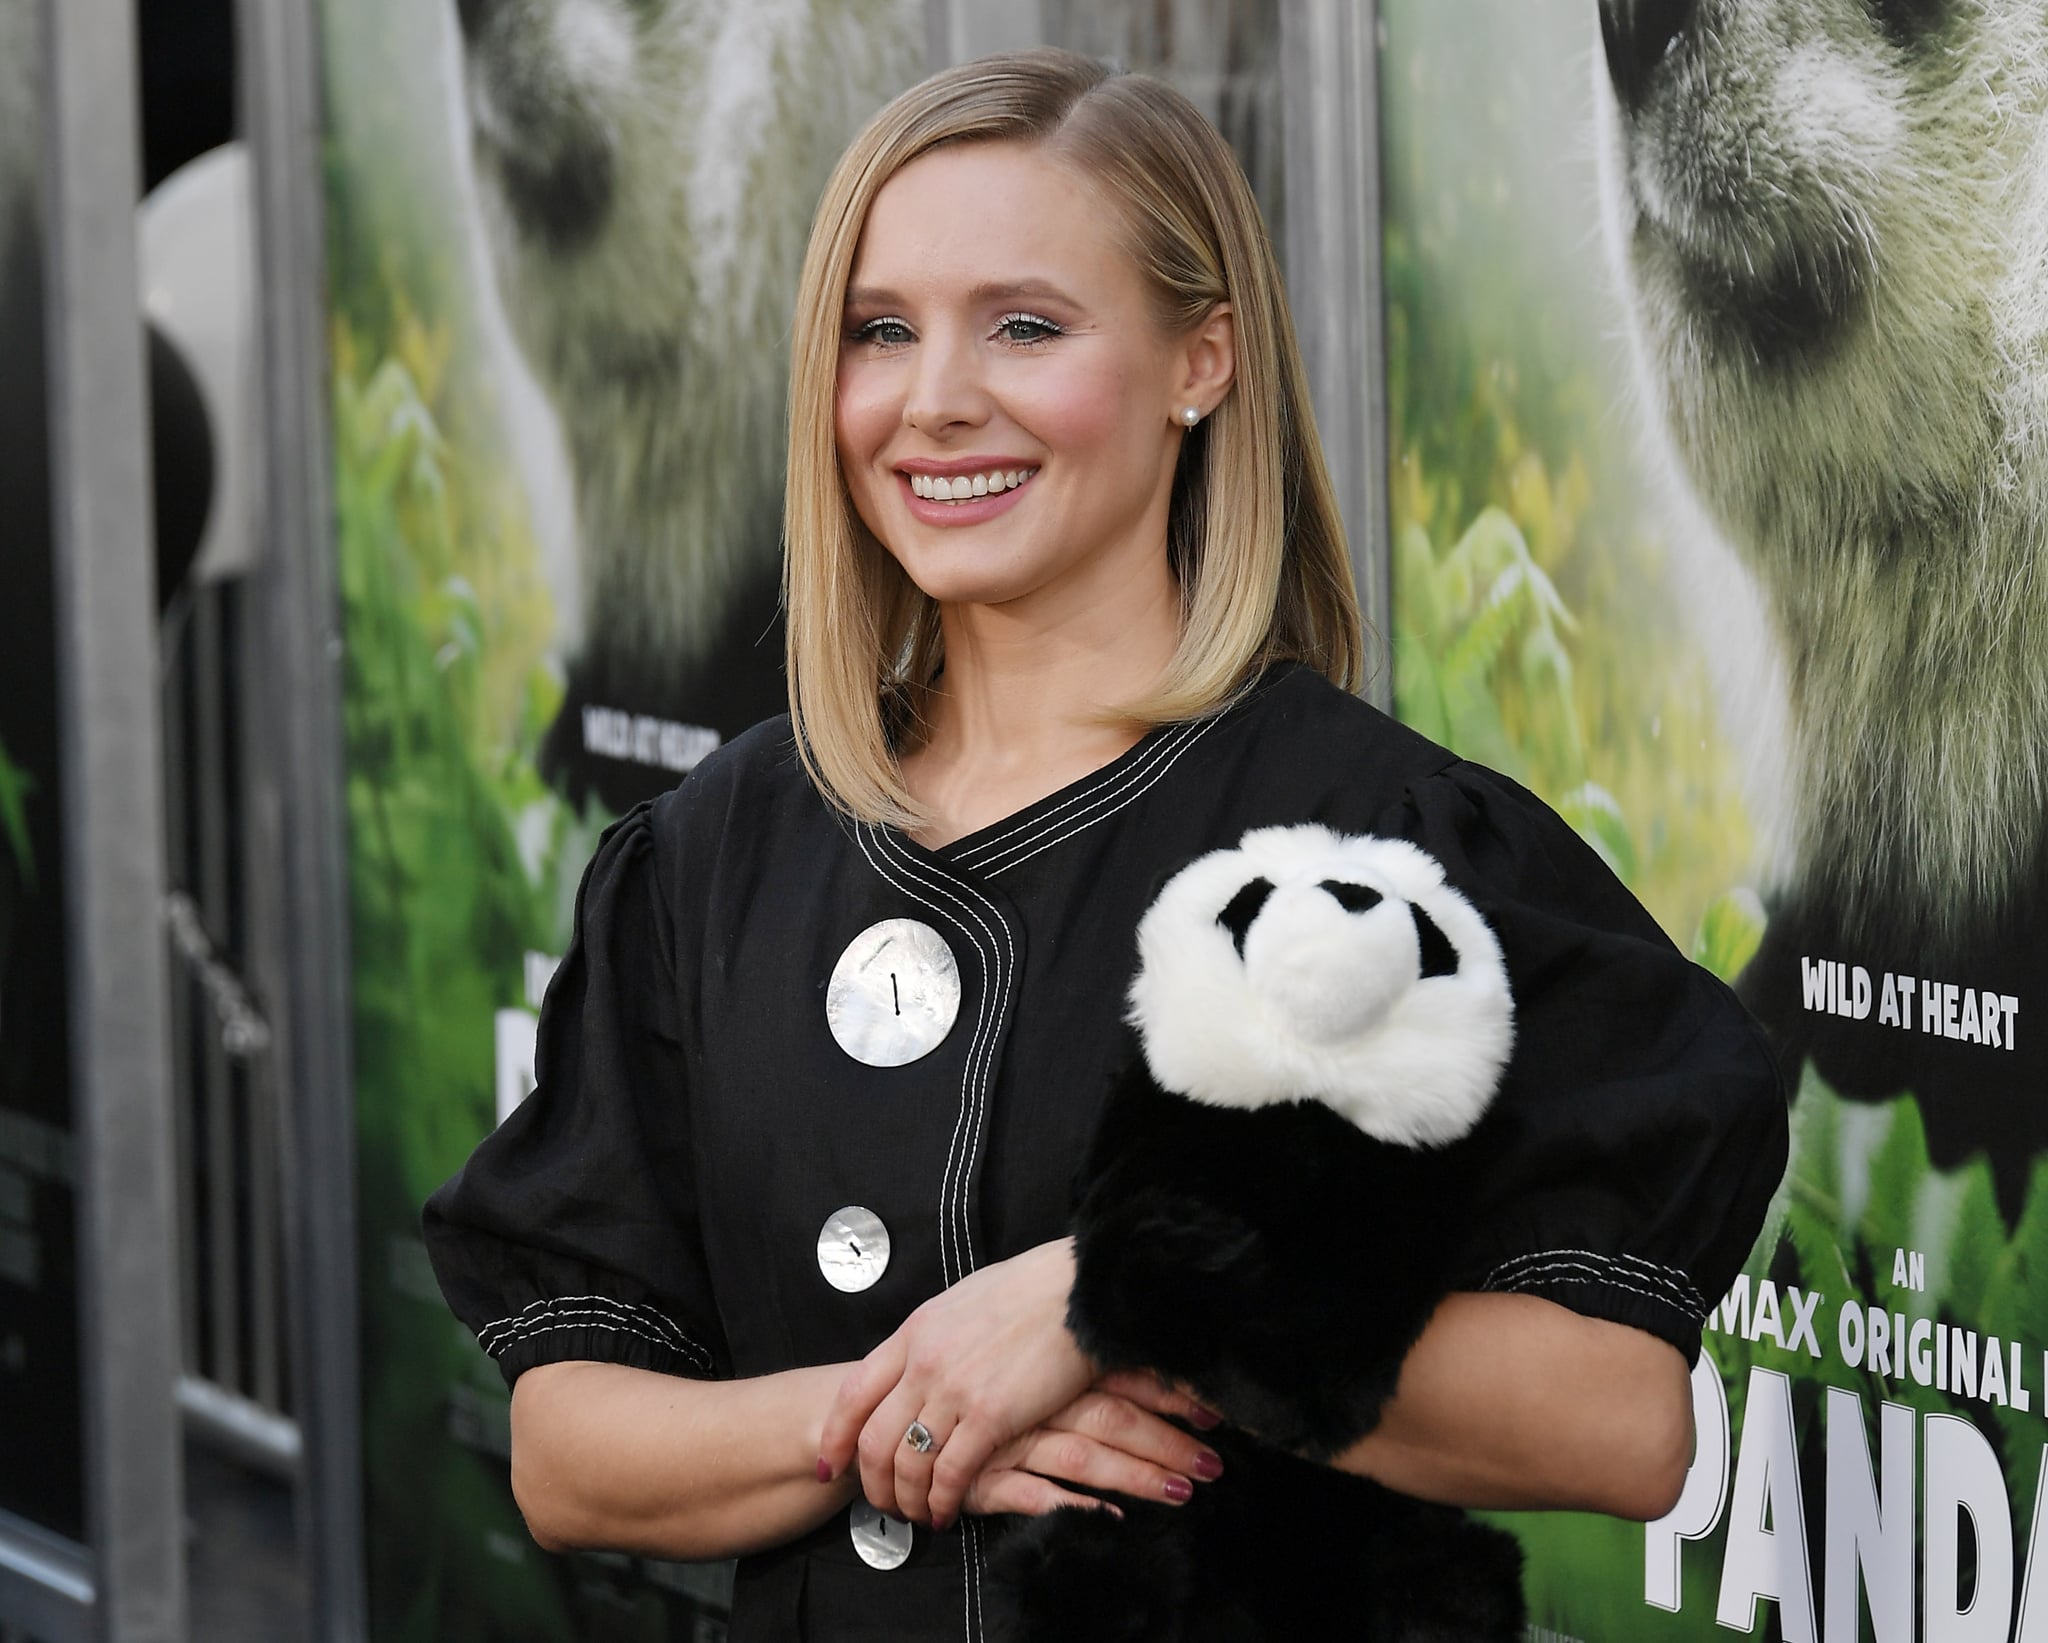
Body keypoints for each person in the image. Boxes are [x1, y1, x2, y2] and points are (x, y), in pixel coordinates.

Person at [424, 46, 1788, 1643]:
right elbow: (569, 1455)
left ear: (1200, 360)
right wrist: (920, 1416)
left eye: (1023, 326)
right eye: (880, 332)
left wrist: (1116, 1304)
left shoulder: (1374, 842)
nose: (933, 398)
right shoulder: (718, 847)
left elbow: (1620, 1419)